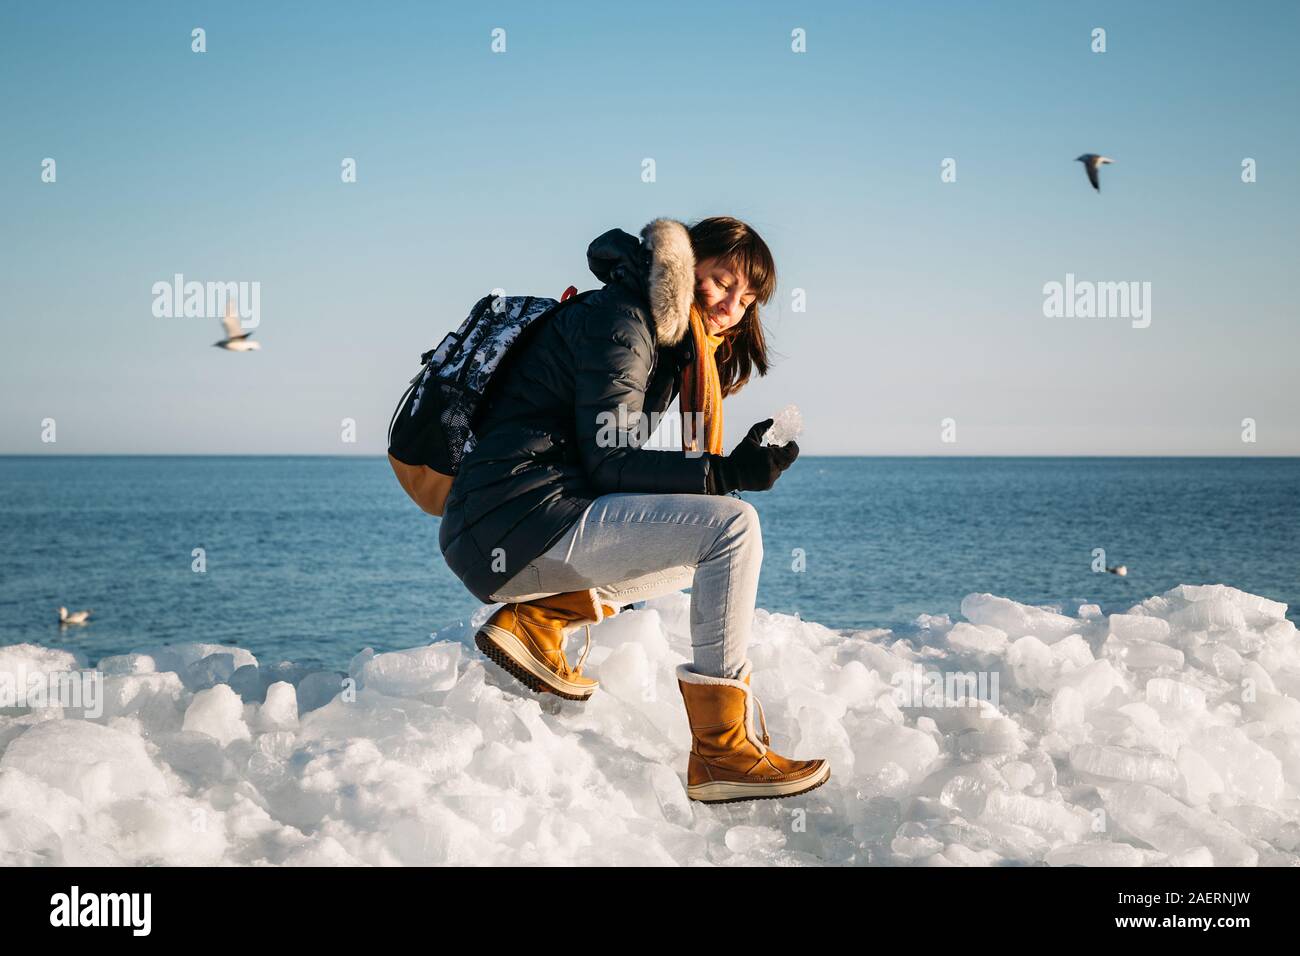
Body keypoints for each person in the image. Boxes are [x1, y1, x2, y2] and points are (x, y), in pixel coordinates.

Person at [438, 217, 829, 803]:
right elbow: (611, 460)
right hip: (517, 517)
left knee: (702, 538)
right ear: (687, 263)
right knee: (732, 526)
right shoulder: (623, 318)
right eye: (722, 280)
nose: (731, 305)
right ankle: (724, 750)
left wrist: (726, 473)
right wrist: (725, 474)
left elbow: (610, 465)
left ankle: (536, 621)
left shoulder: (662, 332)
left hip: (514, 522)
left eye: (747, 299)